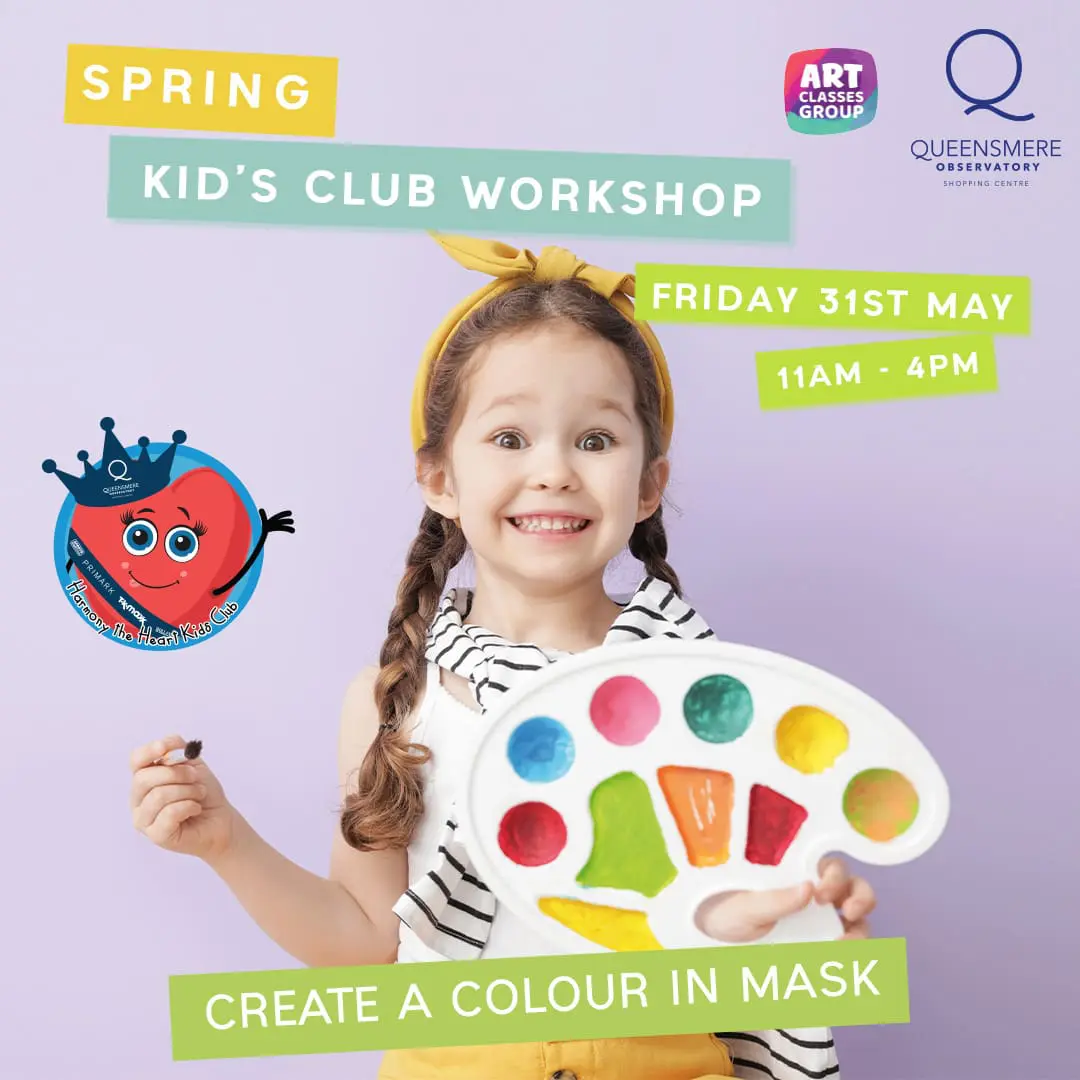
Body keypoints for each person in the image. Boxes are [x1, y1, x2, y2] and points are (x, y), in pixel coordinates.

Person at [129, 234, 876, 1080]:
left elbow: (723, 923)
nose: (554, 470)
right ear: (439, 477)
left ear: (649, 483)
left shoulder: (707, 695)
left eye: (595, 440)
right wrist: (229, 844)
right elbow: (372, 946)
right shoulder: (392, 703)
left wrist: (800, 921)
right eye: (510, 438)